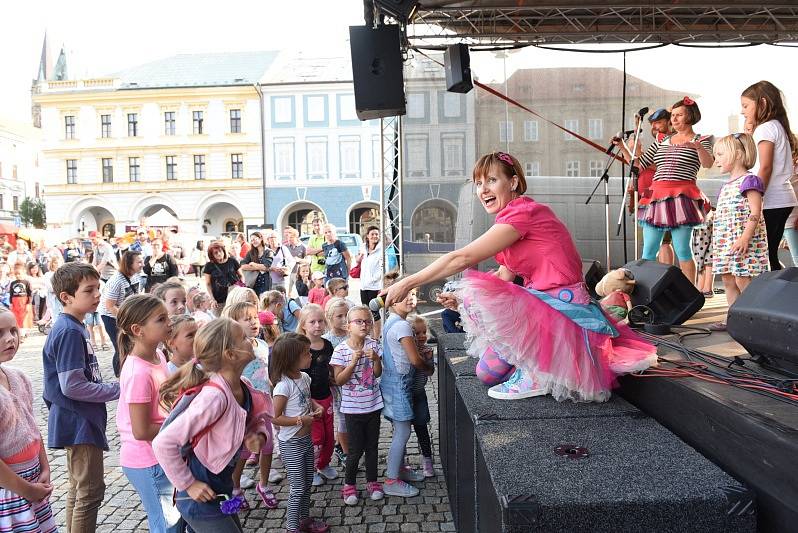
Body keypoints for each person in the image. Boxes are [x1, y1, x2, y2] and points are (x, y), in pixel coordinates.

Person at [384, 151, 658, 402]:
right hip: (544, 306)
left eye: (491, 180)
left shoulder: (524, 213)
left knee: (476, 289)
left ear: (513, 182)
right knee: (486, 373)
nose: (483, 190)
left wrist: (407, 281)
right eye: (479, 183)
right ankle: (533, 363)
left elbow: (462, 258)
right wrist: (459, 299)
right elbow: (503, 276)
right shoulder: (510, 219)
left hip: (561, 311)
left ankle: (538, 372)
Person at [153, 318, 271, 533]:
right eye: (243, 338)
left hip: (221, 488)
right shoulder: (214, 398)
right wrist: (188, 484)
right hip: (199, 494)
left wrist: (258, 435)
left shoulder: (244, 386)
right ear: (230, 355)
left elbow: (254, 421)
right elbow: (163, 443)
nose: (250, 340)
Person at [43, 262, 120, 532]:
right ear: (67, 297)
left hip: (79, 420)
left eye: (98, 288)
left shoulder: (74, 327)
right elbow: (72, 386)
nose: (98, 294)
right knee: (89, 492)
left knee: (79, 491)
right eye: (89, 290)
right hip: (79, 422)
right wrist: (119, 389)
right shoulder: (69, 331)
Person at [614, 98, 714, 283]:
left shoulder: (703, 139)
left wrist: (698, 147)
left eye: (679, 115)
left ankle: (688, 294)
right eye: (673, 116)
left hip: (682, 197)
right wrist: (622, 147)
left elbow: (708, 163)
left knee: (683, 249)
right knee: (649, 250)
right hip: (657, 196)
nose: (674, 119)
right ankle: (646, 291)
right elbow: (639, 164)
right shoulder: (663, 139)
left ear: (690, 116)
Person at [116, 294, 182, 533]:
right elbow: (141, 430)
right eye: (161, 319)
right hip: (147, 460)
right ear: (138, 329)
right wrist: (180, 428)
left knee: (176, 520)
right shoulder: (138, 372)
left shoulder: (159, 355)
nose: (169, 322)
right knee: (166, 524)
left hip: (161, 453)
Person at [0, 305, 58, 533]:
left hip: (33, 480)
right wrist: (26, 490)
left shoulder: (19, 377)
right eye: (0, 333)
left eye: (13, 331)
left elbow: (31, 428)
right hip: (10, 490)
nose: (10, 339)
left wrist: (45, 466)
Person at [270, 333, 330, 533]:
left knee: (306, 483)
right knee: (297, 488)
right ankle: (292, 527)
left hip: (305, 439)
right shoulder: (283, 386)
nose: (311, 355)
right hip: (291, 444)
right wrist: (299, 420)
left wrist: (316, 407)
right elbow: (275, 417)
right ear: (291, 359)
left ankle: (305, 519)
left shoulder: (304, 377)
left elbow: (307, 398)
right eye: (306, 353)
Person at [221, 302, 279, 510]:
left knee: (268, 445)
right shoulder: (235, 351)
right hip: (245, 409)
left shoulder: (262, 345)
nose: (254, 322)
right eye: (247, 318)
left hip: (265, 405)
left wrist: (271, 384)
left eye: (255, 317)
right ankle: (236, 487)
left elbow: (264, 372)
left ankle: (263, 484)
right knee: (244, 452)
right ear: (235, 325)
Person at [709, 134, 769, 331]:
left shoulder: (750, 180)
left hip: (743, 241)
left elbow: (755, 211)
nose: (715, 160)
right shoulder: (726, 186)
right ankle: (733, 319)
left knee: (742, 278)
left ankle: (756, 318)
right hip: (726, 242)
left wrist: (745, 237)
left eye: (719, 154)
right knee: (727, 278)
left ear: (736, 155)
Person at [741, 81, 798, 270]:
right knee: (769, 254)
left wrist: (756, 197)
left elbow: (765, 167)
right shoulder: (776, 126)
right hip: (782, 198)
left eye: (746, 106)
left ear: (763, 103)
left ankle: (778, 296)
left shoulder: (765, 128)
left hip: (773, 201)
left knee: (764, 257)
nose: (743, 111)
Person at [330, 305, 384, 506]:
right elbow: (339, 380)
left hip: (373, 405)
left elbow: (378, 373)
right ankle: (349, 484)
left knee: (372, 447)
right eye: (358, 321)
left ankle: (372, 482)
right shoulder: (341, 350)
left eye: (367, 321)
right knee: (354, 450)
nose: (364, 324)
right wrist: (352, 363)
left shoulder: (374, 345)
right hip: (352, 410)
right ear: (348, 326)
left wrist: (377, 360)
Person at [380, 289, 428, 498]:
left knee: (400, 429)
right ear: (391, 301)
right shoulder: (401, 325)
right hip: (399, 385)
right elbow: (415, 360)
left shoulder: (391, 321)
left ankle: (399, 470)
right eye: (404, 295)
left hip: (391, 383)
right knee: (403, 432)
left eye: (413, 294)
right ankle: (391, 480)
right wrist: (428, 367)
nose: (410, 298)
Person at [296, 304, 339, 487]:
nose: (317, 325)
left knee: (329, 435)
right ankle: (311, 469)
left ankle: (324, 464)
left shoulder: (327, 344)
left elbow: (330, 366)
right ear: (303, 325)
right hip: (308, 399)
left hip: (326, 396)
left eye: (320, 321)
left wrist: (333, 378)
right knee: (316, 438)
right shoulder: (299, 346)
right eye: (312, 322)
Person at [99, 250, 144, 377]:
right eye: (139, 262)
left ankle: (128, 372)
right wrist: (126, 319)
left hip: (126, 315)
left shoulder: (136, 276)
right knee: (120, 346)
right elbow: (109, 305)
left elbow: (137, 295)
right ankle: (120, 375)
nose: (142, 264)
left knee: (130, 344)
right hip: (111, 316)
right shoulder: (116, 281)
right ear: (129, 264)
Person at [322, 297, 352, 466]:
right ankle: (345, 452)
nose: (343, 319)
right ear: (330, 317)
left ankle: (345, 445)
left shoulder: (351, 336)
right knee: (342, 418)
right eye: (339, 316)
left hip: (352, 383)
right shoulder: (327, 340)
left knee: (351, 417)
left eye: (346, 315)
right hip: (336, 385)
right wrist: (330, 377)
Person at [409, 314, 436, 478]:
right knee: (402, 432)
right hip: (404, 395)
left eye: (424, 332)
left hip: (419, 394)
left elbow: (430, 371)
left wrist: (424, 360)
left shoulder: (427, 350)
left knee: (422, 428)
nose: (421, 336)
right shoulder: (404, 350)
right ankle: (401, 463)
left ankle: (427, 460)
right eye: (416, 333)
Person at [358, 226, 385, 336]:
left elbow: (383, 267)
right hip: (363, 286)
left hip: (375, 286)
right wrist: (358, 259)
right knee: (365, 311)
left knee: (374, 311)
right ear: (367, 236)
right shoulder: (363, 248)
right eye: (372, 234)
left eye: (377, 234)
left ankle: (377, 336)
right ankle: (369, 333)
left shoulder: (381, 250)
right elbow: (358, 261)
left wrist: (374, 279)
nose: (375, 236)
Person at [203, 241, 242, 309]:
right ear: (212, 255)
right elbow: (208, 284)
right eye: (215, 253)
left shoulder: (232, 261)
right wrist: (212, 299)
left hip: (234, 297)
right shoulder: (209, 266)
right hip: (219, 299)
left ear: (223, 251)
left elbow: (241, 275)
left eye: (220, 251)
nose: (219, 254)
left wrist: (241, 287)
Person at [240, 232, 273, 297]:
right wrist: (258, 267)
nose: (253, 242)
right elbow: (242, 265)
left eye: (255, 239)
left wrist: (253, 264)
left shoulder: (268, 251)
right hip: (253, 283)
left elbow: (266, 266)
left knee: (264, 303)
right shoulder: (250, 252)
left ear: (260, 239)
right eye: (252, 240)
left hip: (265, 282)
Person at [9, 262, 31, 333]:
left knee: (24, 317)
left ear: (23, 272)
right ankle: (18, 331)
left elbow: (30, 294)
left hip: (24, 302)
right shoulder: (13, 283)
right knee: (16, 317)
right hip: (15, 302)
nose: (17, 275)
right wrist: (11, 303)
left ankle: (24, 332)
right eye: (16, 274)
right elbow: (11, 294)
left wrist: (28, 304)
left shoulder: (26, 282)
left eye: (19, 273)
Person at [284, 228, 307, 297]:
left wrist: (298, 260)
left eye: (291, 237)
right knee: (288, 293)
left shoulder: (303, 247)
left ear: (296, 237)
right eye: (288, 237)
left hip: (298, 274)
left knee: (298, 293)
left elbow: (308, 261)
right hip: (288, 274)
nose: (289, 239)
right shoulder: (285, 247)